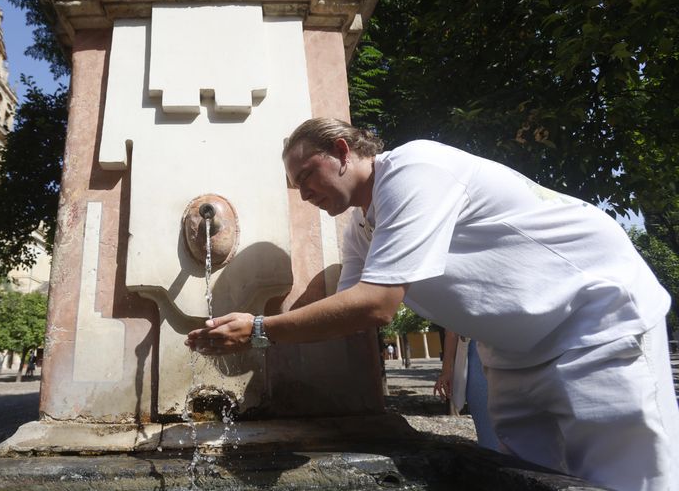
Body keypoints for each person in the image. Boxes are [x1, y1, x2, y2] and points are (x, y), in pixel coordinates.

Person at [185, 118, 678, 491]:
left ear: (341, 151)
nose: (303, 192)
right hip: (514, 352)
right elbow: (346, 311)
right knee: (530, 477)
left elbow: (376, 305)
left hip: (593, 319)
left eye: (306, 175)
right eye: (295, 185)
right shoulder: (361, 227)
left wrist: (260, 328)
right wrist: (262, 332)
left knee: (628, 476)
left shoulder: (414, 170)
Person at [434, 331, 498, 451]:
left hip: (481, 354)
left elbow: (452, 331)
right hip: (523, 347)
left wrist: (446, 371)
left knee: (489, 434)